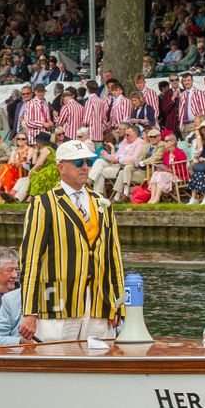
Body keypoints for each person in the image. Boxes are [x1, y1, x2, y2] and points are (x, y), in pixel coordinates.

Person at [17, 139, 124, 342]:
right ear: (61, 167)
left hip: (99, 302)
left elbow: (114, 258)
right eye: (78, 162)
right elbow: (30, 260)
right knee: (53, 359)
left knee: (101, 362)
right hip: (57, 301)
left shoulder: (102, 203)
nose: (84, 167)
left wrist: (118, 306)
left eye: (88, 162)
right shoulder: (44, 203)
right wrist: (29, 311)